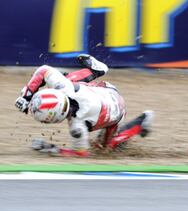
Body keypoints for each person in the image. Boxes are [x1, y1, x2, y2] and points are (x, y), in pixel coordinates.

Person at [14, 55, 153, 157]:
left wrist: (51, 149)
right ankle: (96, 70)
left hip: (116, 113)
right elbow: (44, 70)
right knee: (65, 80)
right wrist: (27, 95)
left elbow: (81, 154)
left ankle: (140, 123)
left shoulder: (77, 128)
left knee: (102, 149)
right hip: (108, 90)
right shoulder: (64, 88)